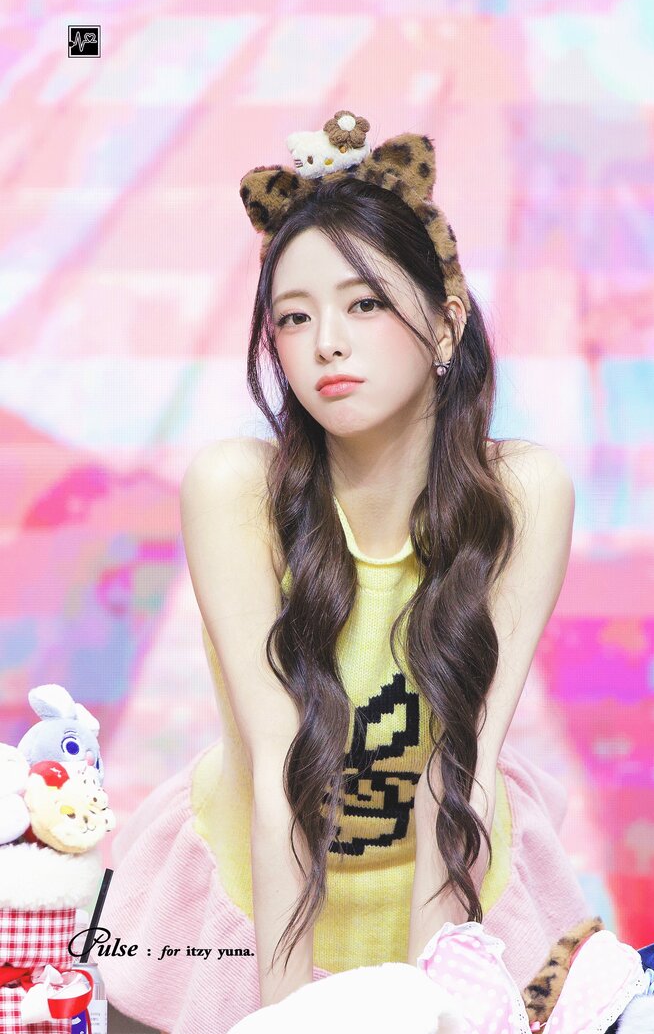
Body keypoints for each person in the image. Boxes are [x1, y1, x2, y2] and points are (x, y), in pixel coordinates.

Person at [97, 110, 592, 1033]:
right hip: (251, 915)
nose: (326, 340)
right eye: (294, 316)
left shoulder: (523, 492)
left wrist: (430, 1006)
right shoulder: (236, 488)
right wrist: (287, 1019)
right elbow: (280, 764)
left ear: (445, 325)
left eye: (364, 303)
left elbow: (459, 771)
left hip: (457, 896)